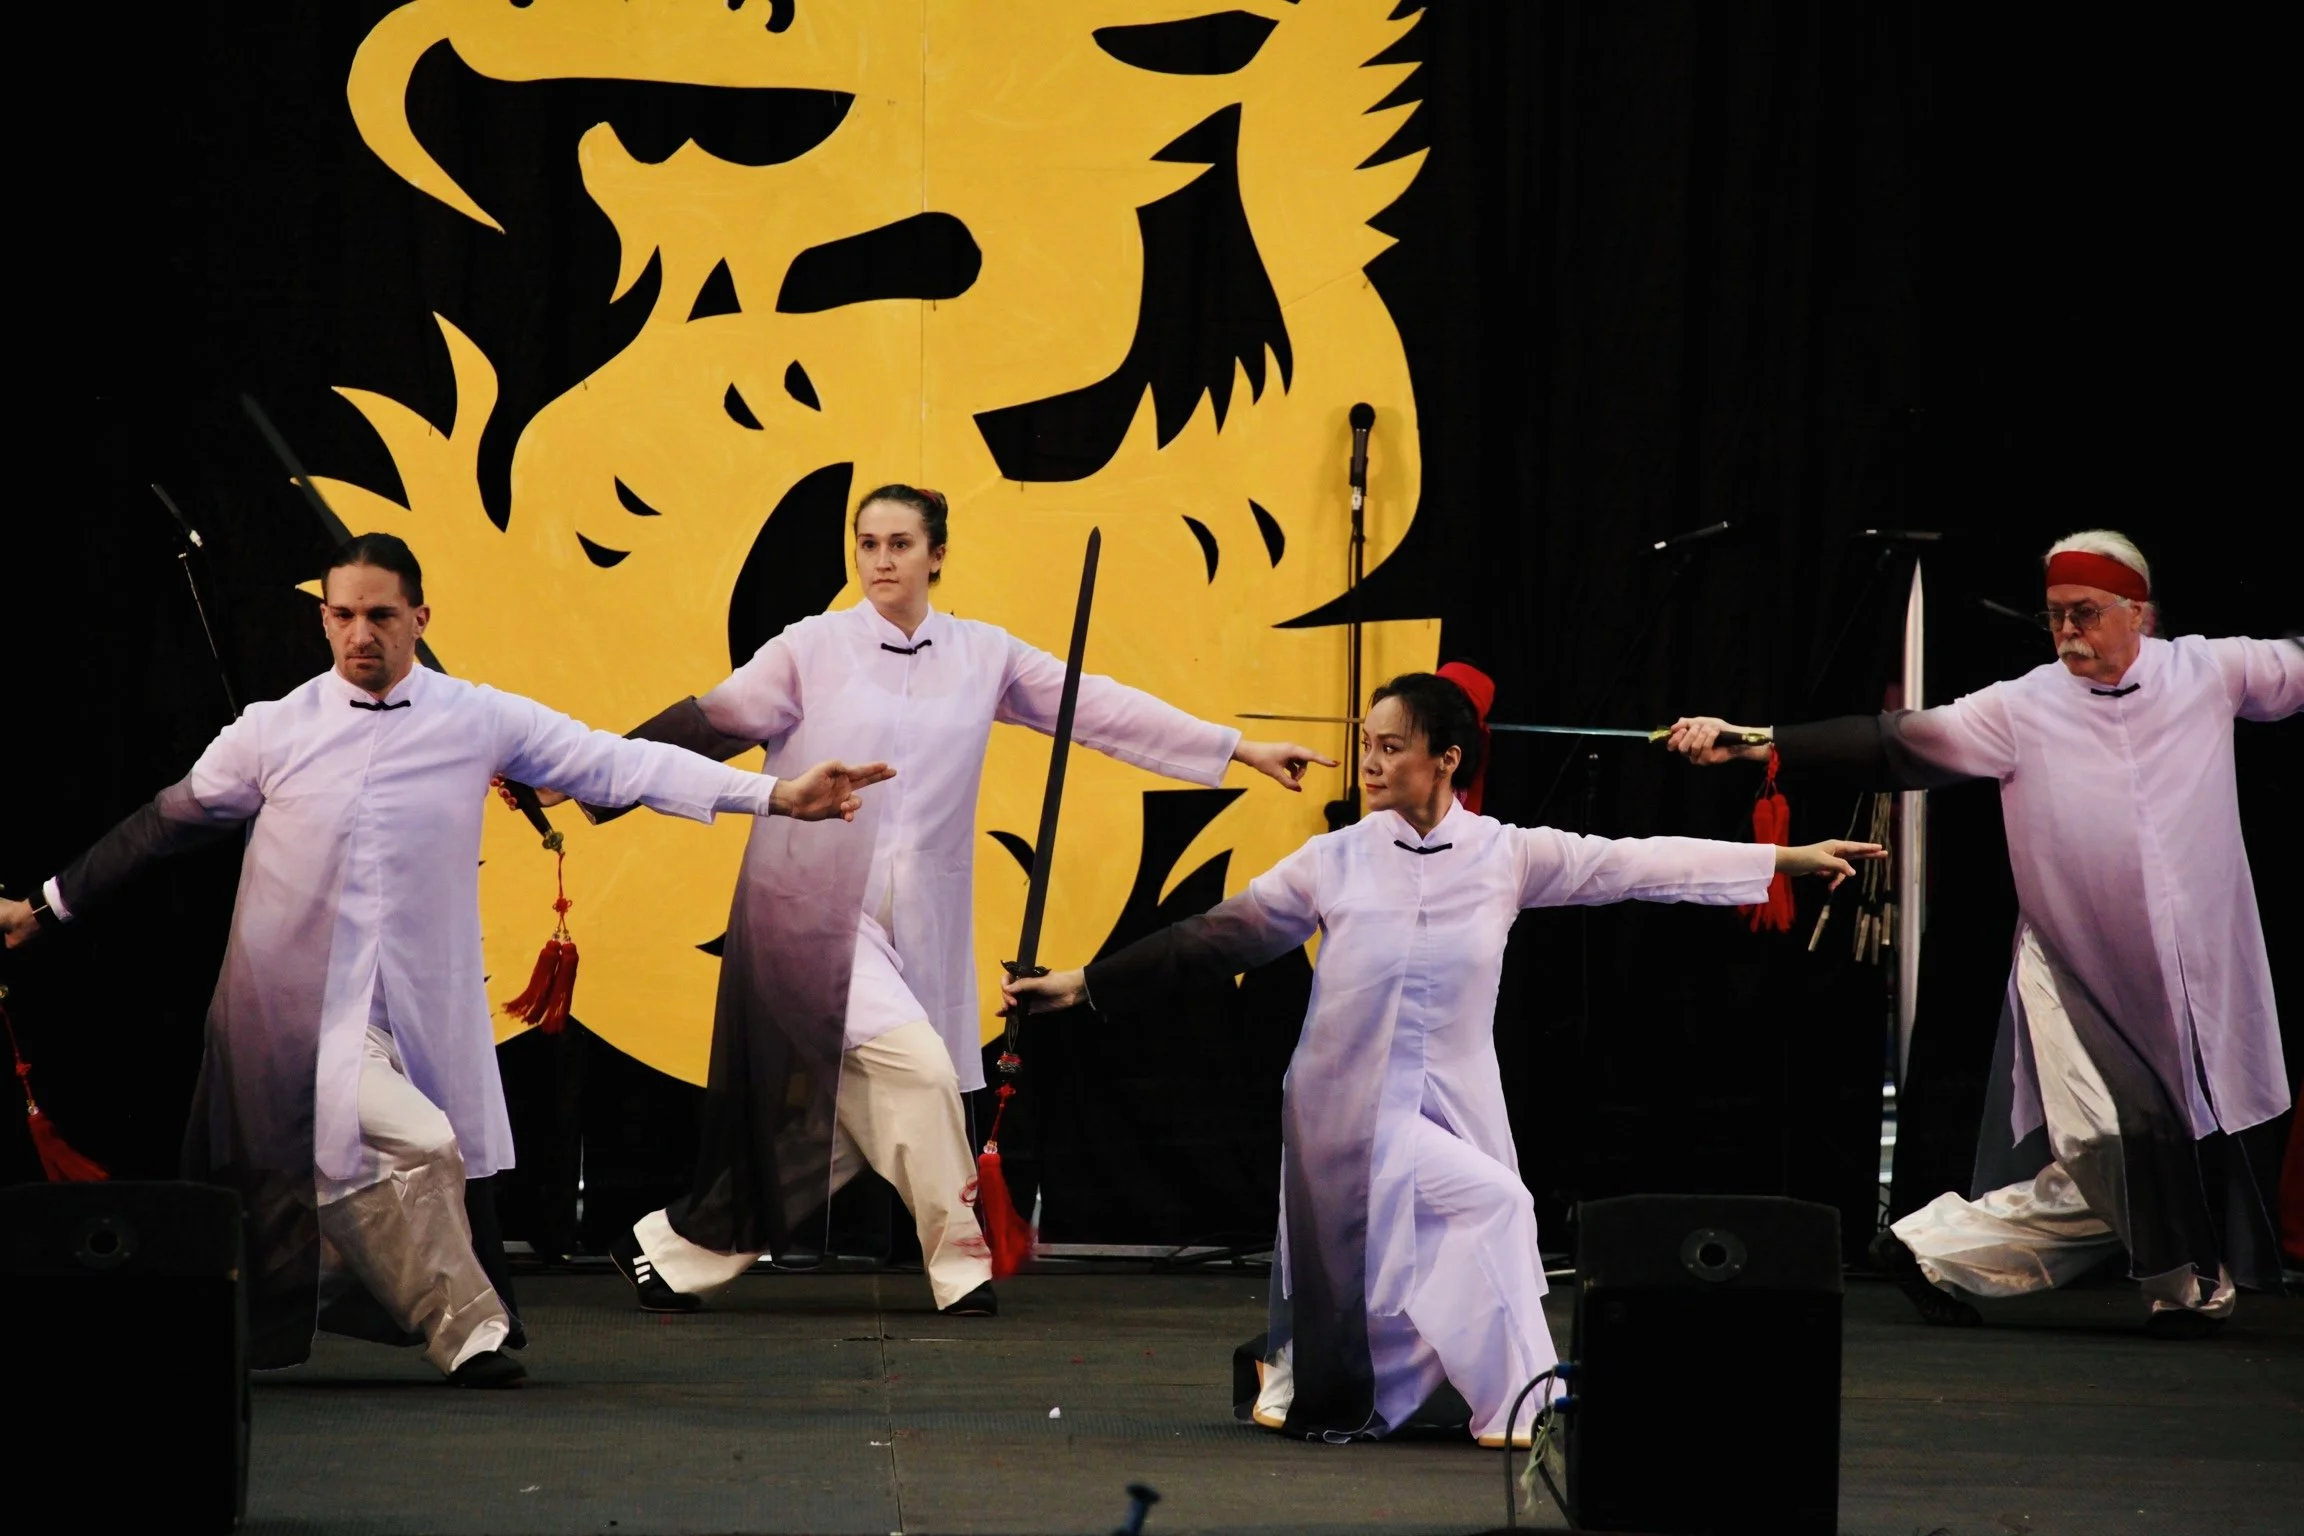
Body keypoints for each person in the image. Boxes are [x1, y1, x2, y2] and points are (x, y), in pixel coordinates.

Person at [0, 534, 889, 1385]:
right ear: (323, 620)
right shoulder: (272, 731)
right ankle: (468, 1334)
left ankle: (418, 1315)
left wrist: (777, 795)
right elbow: (163, 824)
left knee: (393, 1161)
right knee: (418, 1142)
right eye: (343, 615)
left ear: (420, 618)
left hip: (415, 1012)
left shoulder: (477, 718)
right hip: (291, 1016)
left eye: (381, 615)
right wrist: (44, 907)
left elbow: (622, 765)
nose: (361, 634)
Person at [1004, 671, 1879, 1441]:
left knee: (1445, 1246)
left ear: (1447, 760)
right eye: (1368, 745)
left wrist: (1786, 858)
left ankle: (1417, 1392)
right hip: (1347, 1107)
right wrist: (1082, 983)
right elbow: (1211, 939)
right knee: (1496, 1204)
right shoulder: (1333, 861)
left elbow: (1638, 864)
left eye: (1391, 747)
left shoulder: (1505, 856)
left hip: (1456, 1098)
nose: (1370, 763)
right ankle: (1530, 1406)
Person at [558, 484, 1335, 1318]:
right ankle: (963, 1261)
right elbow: (708, 723)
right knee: (920, 1072)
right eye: (867, 544)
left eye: (900, 544)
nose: (881, 560)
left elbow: (1100, 707)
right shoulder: (809, 648)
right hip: (808, 911)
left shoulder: (983, 656)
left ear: (937, 556)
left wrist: (1238, 749)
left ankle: (670, 1250)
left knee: (863, 1120)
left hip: (920, 922)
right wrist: (581, 777)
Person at [1667, 529, 2302, 1335]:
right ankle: (2180, 1287)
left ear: (2137, 612)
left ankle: (1939, 1249)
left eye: (2084, 612)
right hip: (2073, 968)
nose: (2067, 630)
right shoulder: (2023, 706)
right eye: (2054, 615)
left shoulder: (2211, 671)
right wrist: (1759, 741)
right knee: (2112, 1138)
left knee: (2149, 1144)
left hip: (2190, 978)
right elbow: (1894, 739)